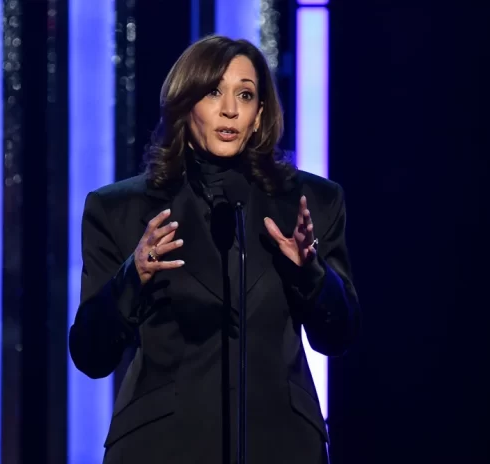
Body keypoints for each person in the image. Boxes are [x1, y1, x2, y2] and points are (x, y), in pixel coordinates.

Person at [69, 35, 361, 464]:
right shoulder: (121, 210)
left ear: (259, 114)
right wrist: (134, 275)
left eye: (245, 94)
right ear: (187, 104)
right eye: (213, 92)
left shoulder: (311, 203)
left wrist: (310, 274)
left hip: (280, 445)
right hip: (162, 448)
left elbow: (339, 336)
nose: (229, 109)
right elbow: (92, 355)